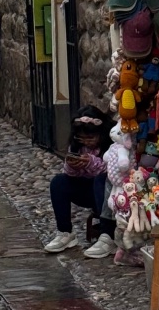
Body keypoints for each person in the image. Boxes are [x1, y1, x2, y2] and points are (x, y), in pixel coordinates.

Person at [44, 106, 117, 259]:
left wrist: (91, 163)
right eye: (81, 138)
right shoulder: (77, 145)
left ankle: (108, 235)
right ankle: (65, 232)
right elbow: (71, 175)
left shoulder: (112, 143)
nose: (86, 142)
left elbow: (112, 170)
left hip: (108, 195)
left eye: (90, 138)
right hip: (87, 191)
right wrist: (72, 165)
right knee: (58, 182)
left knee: (101, 180)